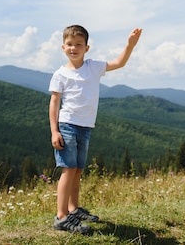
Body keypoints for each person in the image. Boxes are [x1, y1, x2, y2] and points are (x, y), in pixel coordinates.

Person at [49, 25, 142, 233]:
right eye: (70, 44)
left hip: (85, 127)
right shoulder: (60, 74)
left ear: (87, 47)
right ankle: (61, 217)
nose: (74, 48)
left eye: (78, 44)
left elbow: (119, 63)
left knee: (78, 170)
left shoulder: (93, 67)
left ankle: (72, 209)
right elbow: (54, 103)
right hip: (67, 125)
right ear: (63, 47)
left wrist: (130, 45)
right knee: (68, 169)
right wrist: (54, 131)